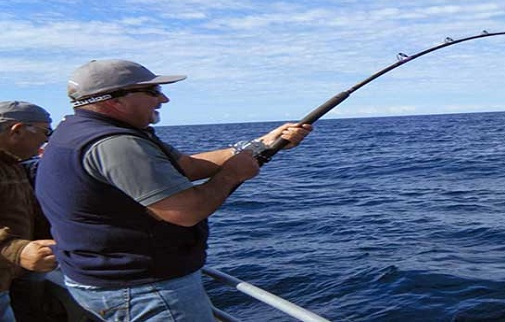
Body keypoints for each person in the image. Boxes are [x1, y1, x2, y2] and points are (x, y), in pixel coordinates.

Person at [36, 59, 312, 321]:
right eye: (152, 91)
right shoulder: (117, 144)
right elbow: (184, 211)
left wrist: (260, 145)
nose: (163, 99)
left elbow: (187, 166)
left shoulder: (79, 131)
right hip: (144, 289)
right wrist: (232, 174)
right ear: (113, 99)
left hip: (104, 279)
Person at [0, 101, 58, 322]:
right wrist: (18, 250)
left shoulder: (12, 164)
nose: (47, 139)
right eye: (46, 132)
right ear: (17, 130)